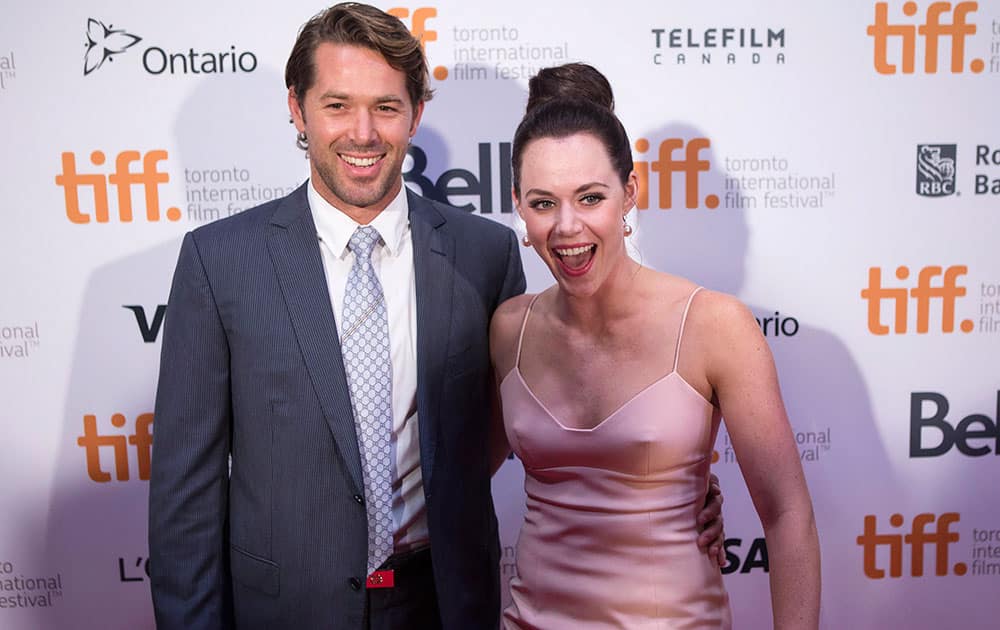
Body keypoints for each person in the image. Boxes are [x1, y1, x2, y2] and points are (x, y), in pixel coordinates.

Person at [148, 4, 724, 628]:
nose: (363, 132)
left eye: (387, 107)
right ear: (298, 108)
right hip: (284, 610)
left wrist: (673, 487)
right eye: (337, 105)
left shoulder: (485, 254)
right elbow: (187, 492)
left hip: (443, 604)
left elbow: (550, 415)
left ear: (416, 114)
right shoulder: (221, 261)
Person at [490, 64, 820, 629]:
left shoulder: (714, 325)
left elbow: (788, 516)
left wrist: (679, 478)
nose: (567, 227)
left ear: (629, 194)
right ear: (518, 205)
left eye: (590, 197)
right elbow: (453, 476)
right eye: (544, 203)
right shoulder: (509, 329)